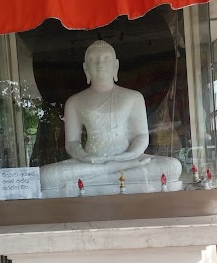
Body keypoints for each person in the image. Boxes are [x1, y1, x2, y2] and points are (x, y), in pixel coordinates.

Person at [40, 40, 181, 192]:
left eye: (106, 59)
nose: (100, 64)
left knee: (173, 166)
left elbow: (141, 136)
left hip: (129, 159)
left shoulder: (133, 97)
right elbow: (72, 142)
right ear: (86, 68)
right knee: (46, 176)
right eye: (93, 61)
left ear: (116, 65)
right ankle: (115, 169)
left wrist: (129, 155)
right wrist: (85, 157)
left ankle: (109, 171)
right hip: (91, 162)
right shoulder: (74, 102)